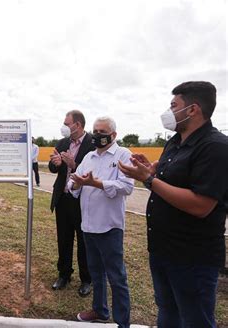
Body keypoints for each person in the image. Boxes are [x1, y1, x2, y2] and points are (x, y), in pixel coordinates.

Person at [119, 81, 228, 327]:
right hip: (162, 251)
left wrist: (148, 179)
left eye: (173, 105)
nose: (168, 111)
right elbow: (166, 175)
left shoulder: (215, 147)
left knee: (195, 319)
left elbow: (201, 205)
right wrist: (148, 168)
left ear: (192, 110)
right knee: (167, 311)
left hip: (192, 258)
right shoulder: (176, 141)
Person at [69, 116, 133, 327]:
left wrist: (96, 183)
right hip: (88, 225)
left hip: (109, 226)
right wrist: (77, 184)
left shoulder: (123, 155)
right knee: (96, 272)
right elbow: (73, 182)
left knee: (116, 277)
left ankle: (123, 322)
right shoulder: (89, 156)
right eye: (95, 131)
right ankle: (99, 310)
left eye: (102, 132)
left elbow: (126, 187)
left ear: (113, 135)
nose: (97, 136)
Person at [48, 110, 93, 296]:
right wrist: (56, 163)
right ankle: (64, 274)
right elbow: (52, 168)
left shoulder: (91, 144)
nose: (64, 127)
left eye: (67, 124)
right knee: (64, 238)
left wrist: (74, 164)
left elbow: (93, 171)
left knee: (84, 241)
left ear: (78, 125)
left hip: (82, 200)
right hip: (63, 198)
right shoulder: (62, 142)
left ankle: (86, 279)